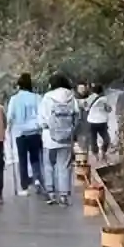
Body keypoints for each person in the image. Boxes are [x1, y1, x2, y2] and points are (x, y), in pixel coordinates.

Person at [39, 74, 79, 206]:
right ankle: (63, 196)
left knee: (48, 165)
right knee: (64, 166)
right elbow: (77, 116)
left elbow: (42, 119)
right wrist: (71, 130)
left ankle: (50, 193)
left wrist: (46, 126)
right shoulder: (71, 97)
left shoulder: (47, 97)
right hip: (67, 138)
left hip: (49, 138)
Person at [5, 74, 43, 196]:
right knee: (35, 158)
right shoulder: (37, 98)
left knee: (22, 160)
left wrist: (8, 129)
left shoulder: (14, 99)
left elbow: (10, 117)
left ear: (19, 86)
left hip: (20, 133)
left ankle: (24, 186)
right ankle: (37, 179)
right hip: (35, 132)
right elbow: (42, 114)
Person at [86, 84, 114, 160]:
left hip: (91, 122)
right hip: (102, 122)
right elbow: (109, 109)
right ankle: (103, 152)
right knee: (106, 139)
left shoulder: (90, 98)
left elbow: (85, 108)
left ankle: (96, 156)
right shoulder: (104, 99)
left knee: (93, 139)